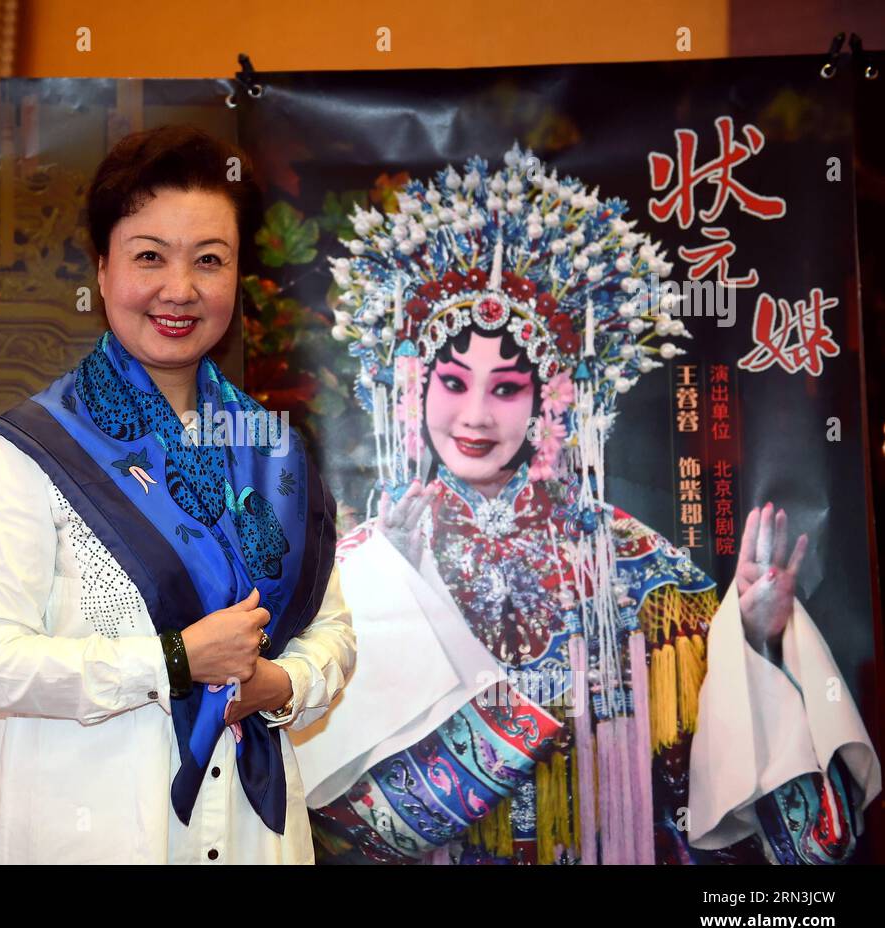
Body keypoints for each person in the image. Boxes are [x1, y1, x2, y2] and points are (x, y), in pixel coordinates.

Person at [290, 144, 880, 864]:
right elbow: (318, 811)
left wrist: (753, 643)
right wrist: (399, 596)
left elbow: (718, 799)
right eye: (453, 382)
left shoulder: (641, 572)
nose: (475, 415)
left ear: (551, 400)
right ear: (414, 388)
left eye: (506, 387)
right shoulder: (360, 563)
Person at [0, 124, 355, 864]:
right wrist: (172, 660)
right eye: (149, 257)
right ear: (103, 271)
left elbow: (332, 633)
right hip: (93, 834)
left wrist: (277, 683)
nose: (180, 288)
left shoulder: (274, 448)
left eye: (209, 260)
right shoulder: (32, 447)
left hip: (251, 837)